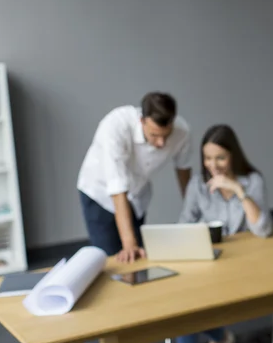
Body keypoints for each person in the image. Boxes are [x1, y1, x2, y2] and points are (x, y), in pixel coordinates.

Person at [176, 124, 273, 343]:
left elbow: (263, 230)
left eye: (220, 158)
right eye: (208, 158)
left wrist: (238, 190)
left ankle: (219, 339)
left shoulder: (251, 181)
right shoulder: (198, 184)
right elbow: (184, 225)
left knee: (191, 306)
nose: (213, 165)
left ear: (233, 156)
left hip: (244, 266)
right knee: (183, 303)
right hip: (211, 263)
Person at [77, 91, 192, 263]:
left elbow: (183, 170)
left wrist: (193, 212)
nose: (161, 143)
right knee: (113, 259)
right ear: (142, 120)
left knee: (140, 257)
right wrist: (128, 243)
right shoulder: (116, 126)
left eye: (166, 135)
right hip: (99, 193)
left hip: (137, 195)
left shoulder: (182, 131)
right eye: (154, 135)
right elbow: (117, 188)